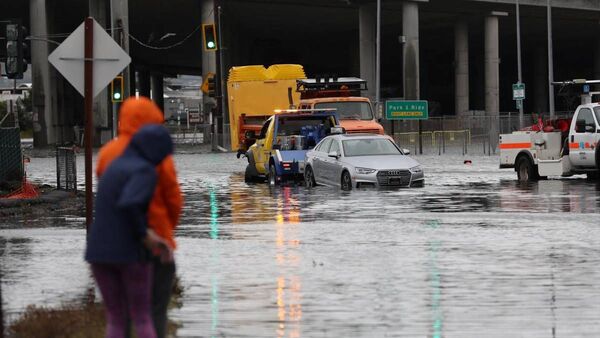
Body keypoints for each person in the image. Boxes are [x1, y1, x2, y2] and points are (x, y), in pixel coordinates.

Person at [96, 97, 183, 338]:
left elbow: (106, 198)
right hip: (153, 245)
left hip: (114, 244)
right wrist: (166, 232)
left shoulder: (107, 154)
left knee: (117, 316)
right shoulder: (156, 155)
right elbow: (174, 199)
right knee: (153, 311)